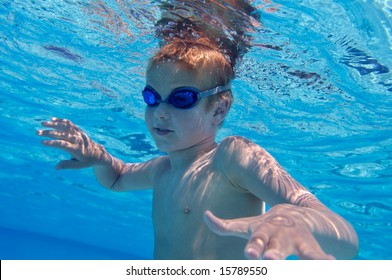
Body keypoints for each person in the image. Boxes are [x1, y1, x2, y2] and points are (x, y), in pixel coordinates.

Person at [37, 37, 358, 260]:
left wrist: (297, 220)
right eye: (151, 97)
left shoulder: (232, 157)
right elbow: (118, 178)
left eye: (181, 98)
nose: (160, 112)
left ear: (219, 110)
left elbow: (347, 239)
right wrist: (100, 158)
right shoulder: (163, 168)